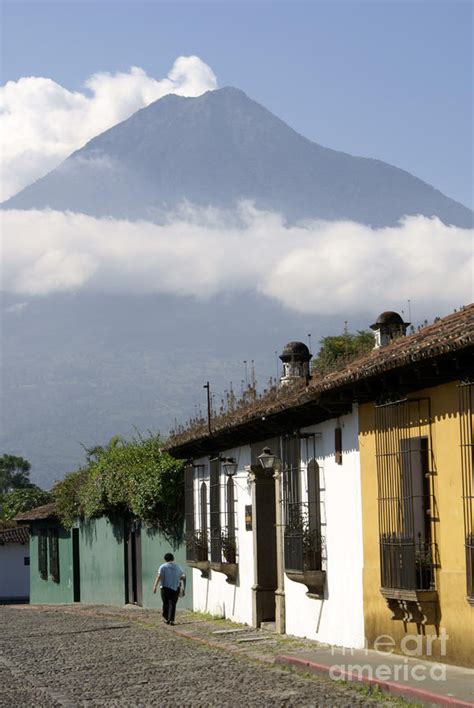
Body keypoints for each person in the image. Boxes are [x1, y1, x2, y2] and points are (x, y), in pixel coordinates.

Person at [153, 552, 186, 625]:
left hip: (165, 588)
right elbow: (183, 576)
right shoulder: (178, 566)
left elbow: (159, 576)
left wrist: (155, 586)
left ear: (165, 559)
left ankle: (166, 618)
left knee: (165, 603)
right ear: (173, 558)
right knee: (173, 604)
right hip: (175, 587)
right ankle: (171, 620)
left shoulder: (162, 567)